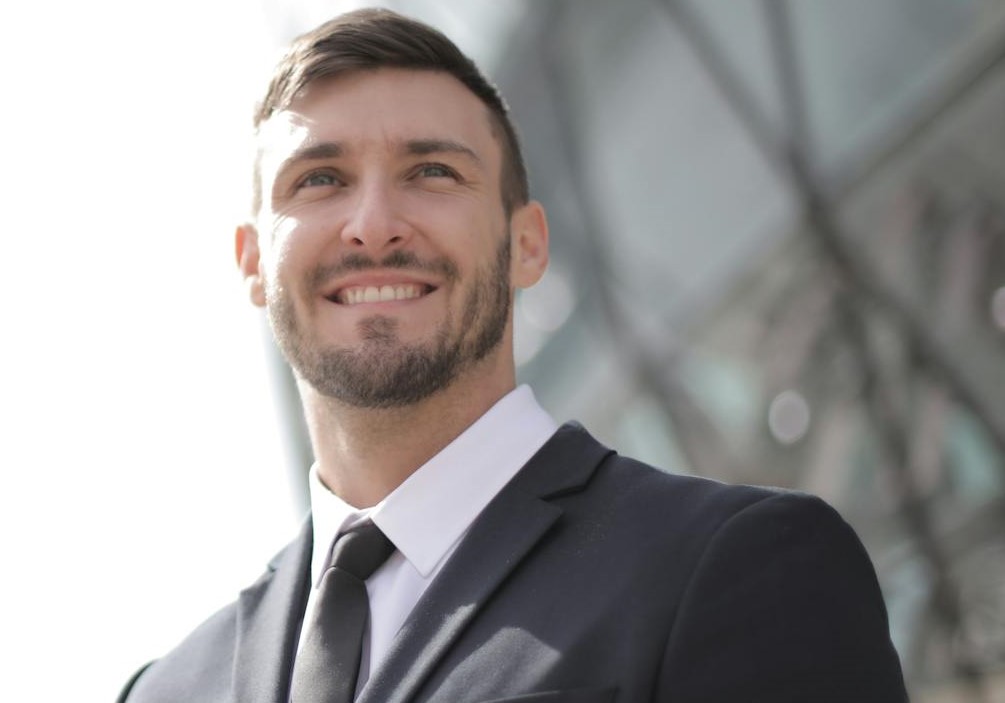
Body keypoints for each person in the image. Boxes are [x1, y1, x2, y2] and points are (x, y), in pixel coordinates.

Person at [118, 7, 909, 703]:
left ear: (526, 244)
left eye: (431, 171)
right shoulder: (166, 688)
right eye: (319, 179)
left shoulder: (738, 569)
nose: (373, 224)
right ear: (253, 262)